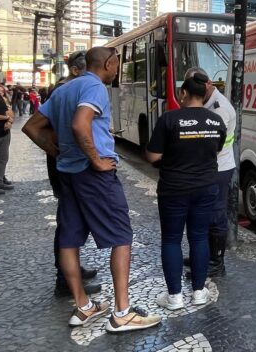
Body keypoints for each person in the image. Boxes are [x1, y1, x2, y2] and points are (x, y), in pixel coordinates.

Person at [23, 46, 161, 333]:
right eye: (117, 65)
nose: (117, 70)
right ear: (108, 63)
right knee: (122, 236)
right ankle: (122, 313)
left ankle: (84, 306)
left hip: (68, 175)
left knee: (68, 240)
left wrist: (58, 153)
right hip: (94, 176)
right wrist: (96, 160)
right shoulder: (95, 87)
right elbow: (80, 124)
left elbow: (32, 127)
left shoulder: (64, 89)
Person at [145, 74, 226, 309]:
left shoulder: (169, 119)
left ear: (183, 93)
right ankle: (199, 292)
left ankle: (174, 297)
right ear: (204, 94)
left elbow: (153, 156)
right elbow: (216, 150)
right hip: (206, 188)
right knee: (199, 237)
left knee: (171, 239)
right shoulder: (216, 121)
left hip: (174, 189)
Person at [45, 52, 100, 297]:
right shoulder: (66, 90)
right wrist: (61, 152)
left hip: (67, 165)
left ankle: (71, 271)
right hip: (72, 167)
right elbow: (42, 128)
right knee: (69, 223)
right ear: (76, 71)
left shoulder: (66, 89)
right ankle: (65, 279)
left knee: (72, 221)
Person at [185, 68, 237, 274]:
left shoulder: (219, 108)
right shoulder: (205, 102)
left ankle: (216, 263)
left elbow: (211, 144)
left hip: (219, 168)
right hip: (208, 167)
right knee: (204, 213)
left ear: (208, 84)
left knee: (215, 214)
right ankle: (202, 255)